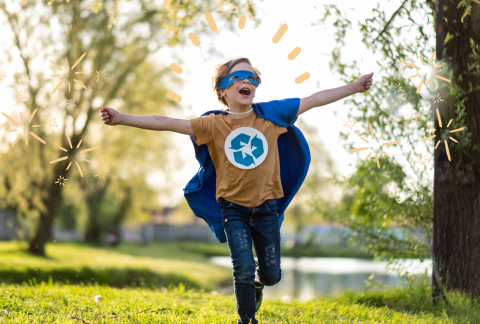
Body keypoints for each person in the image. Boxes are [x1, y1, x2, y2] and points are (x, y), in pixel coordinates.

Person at [100, 58, 373, 324]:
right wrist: (121, 118)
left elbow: (313, 99)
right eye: (238, 78)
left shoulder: (272, 115)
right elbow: (165, 121)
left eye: (251, 79)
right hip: (233, 209)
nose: (246, 82)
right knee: (242, 266)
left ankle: (258, 285)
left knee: (271, 275)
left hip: (266, 209)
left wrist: (354, 86)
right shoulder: (212, 125)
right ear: (223, 90)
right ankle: (247, 319)